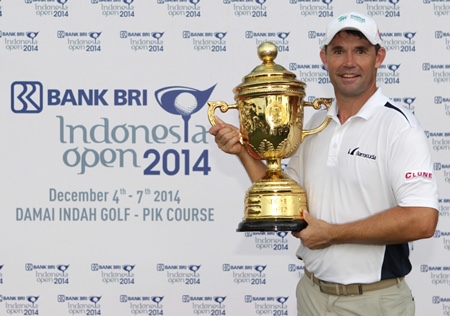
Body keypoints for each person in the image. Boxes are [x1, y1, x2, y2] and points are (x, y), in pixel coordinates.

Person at [209, 11, 439, 316]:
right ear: (324, 57)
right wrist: (242, 150)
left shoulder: (399, 128)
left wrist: (332, 233)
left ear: (379, 57)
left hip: (373, 302)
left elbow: (422, 220)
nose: (349, 62)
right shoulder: (315, 124)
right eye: (338, 51)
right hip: (312, 295)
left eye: (360, 51)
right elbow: (285, 196)